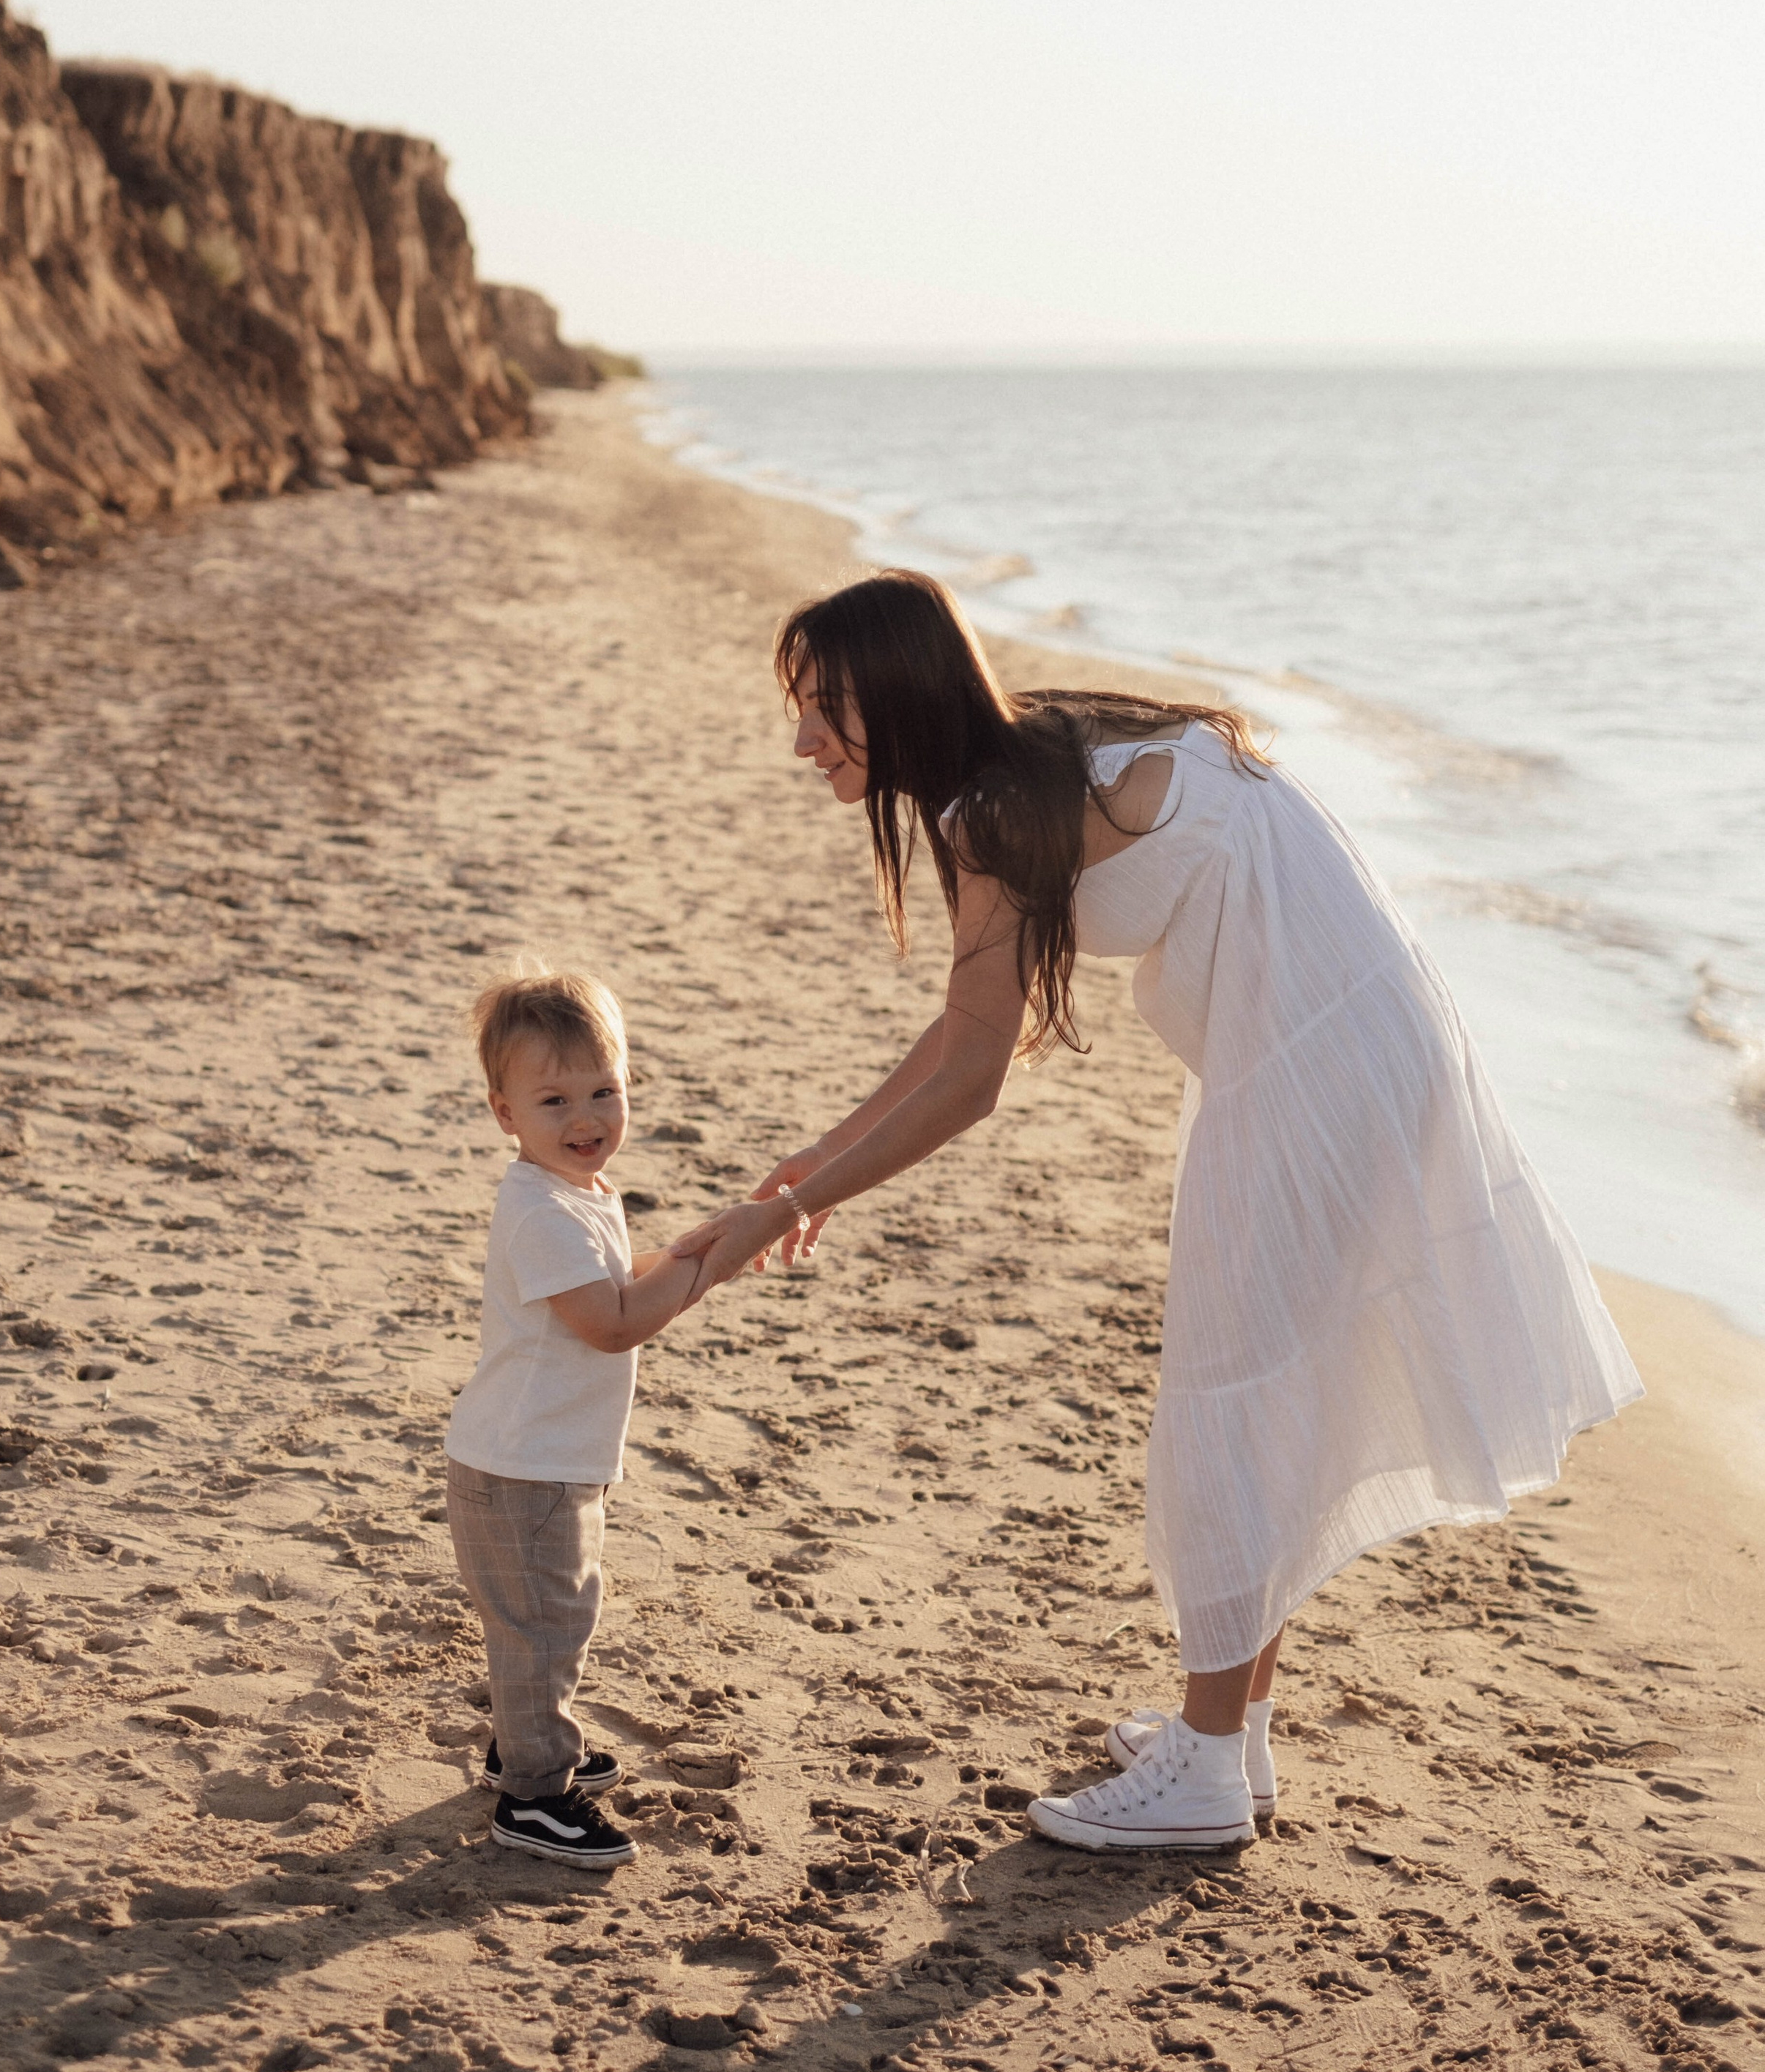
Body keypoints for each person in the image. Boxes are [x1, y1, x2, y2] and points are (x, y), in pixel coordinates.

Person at [673, 571, 1641, 1854]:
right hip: (1351, 1046)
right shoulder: (1043, 751)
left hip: (1312, 1069)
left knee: (1231, 1393)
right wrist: (799, 1175)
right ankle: (1229, 1732)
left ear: (899, 701)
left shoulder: (996, 807)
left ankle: (1200, 1773)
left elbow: (971, 1078)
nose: (802, 744)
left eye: (824, 714)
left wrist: (776, 1212)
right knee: (1262, 1387)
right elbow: (971, 1034)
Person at [446, 970, 717, 1869]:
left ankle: (521, 1744)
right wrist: (706, 1271)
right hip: (521, 1469)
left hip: (550, 1459)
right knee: (541, 1627)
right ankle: (533, 1796)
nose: (585, 1117)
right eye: (553, 1099)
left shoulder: (579, 1195)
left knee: (554, 1618)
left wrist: (688, 1250)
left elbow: (613, 1284)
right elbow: (610, 1325)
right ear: (505, 1114)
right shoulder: (539, 1211)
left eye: (605, 1091)